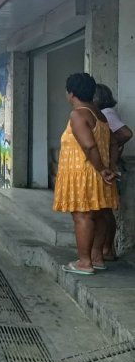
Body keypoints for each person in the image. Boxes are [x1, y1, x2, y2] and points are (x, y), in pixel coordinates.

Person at [53, 73, 118, 275]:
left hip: (85, 172)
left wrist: (101, 168)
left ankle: (84, 262)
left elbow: (89, 146)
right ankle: (97, 257)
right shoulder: (100, 115)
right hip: (99, 172)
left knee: (82, 217)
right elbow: (113, 142)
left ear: (71, 93)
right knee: (98, 216)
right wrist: (109, 167)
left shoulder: (78, 114)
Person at [94, 83, 132, 261]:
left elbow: (126, 133)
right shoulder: (104, 114)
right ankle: (106, 249)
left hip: (108, 168)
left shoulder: (107, 113)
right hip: (107, 166)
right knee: (105, 211)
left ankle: (107, 249)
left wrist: (111, 143)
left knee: (105, 212)